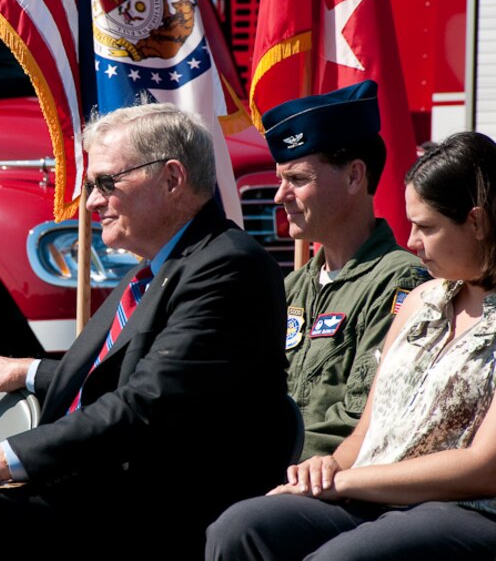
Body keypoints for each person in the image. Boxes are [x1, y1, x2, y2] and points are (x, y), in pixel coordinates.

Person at [0, 102, 294, 559]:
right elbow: (127, 373)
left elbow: (147, 404)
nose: (91, 202)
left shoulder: (226, 267)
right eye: (91, 186)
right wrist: (32, 373)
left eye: (107, 183)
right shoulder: (157, 268)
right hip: (102, 487)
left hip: (155, 510)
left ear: (172, 178)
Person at [206, 131, 496, 560]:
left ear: (476, 222)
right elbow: (369, 426)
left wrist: (345, 481)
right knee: (241, 527)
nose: (412, 241)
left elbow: (483, 467)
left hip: (461, 506)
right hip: (371, 494)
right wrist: (330, 466)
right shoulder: (422, 301)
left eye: (427, 227)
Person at [262, 80, 429, 459]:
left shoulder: (398, 283)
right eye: (280, 180)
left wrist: (267, 465)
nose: (280, 196)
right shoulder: (293, 287)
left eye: (298, 179)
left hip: (334, 488)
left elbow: (361, 417)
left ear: (355, 176)